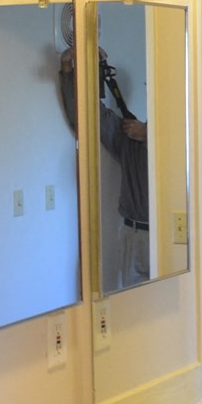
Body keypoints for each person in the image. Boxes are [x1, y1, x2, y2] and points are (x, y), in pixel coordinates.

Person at [59, 46, 150, 289]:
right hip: (133, 233)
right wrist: (69, 69)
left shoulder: (182, 138)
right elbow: (88, 116)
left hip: (169, 236)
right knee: (132, 308)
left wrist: (149, 132)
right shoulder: (129, 139)